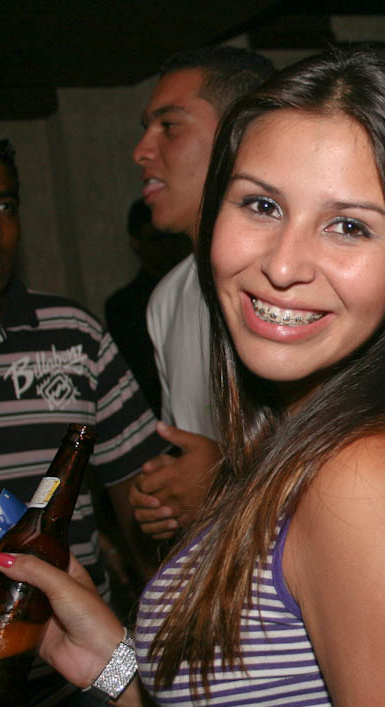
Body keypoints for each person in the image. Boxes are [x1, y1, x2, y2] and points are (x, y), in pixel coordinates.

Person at [0, 48, 385, 707]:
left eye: (349, 226)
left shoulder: (370, 483)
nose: (282, 265)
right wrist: (112, 662)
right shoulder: (295, 435)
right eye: (261, 205)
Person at [0, 125, 167, 707]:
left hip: (86, 694)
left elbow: (143, 504)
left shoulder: (74, 335)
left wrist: (167, 640)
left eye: (5, 205)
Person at [130, 46, 275, 541]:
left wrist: (225, 486)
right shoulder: (167, 299)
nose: (141, 151)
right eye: (146, 128)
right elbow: (193, 458)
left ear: (243, 133)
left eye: (169, 126)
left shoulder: (296, 280)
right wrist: (168, 495)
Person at [104, 199, 191, 417]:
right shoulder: (122, 306)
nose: (166, 247)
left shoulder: (197, 288)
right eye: (155, 240)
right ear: (136, 243)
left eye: (170, 238)